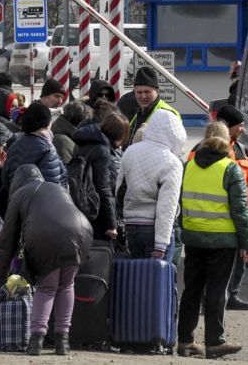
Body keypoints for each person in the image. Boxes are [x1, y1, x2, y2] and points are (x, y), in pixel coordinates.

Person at [0, 165, 93, 357]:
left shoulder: (19, 194)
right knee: (67, 284)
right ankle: (63, 341)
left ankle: (36, 340)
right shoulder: (57, 188)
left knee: (47, 287)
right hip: (82, 232)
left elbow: (7, 242)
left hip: (46, 236)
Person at [176, 122, 248, 359]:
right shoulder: (230, 169)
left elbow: (181, 200)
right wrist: (247, 242)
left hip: (193, 237)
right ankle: (214, 341)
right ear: (226, 140)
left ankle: (185, 341)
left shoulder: (188, 166)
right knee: (216, 290)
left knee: (191, 289)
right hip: (222, 240)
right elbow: (240, 210)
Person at [190, 105, 248, 311]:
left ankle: (232, 295)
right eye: (239, 125)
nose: (242, 129)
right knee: (212, 265)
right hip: (214, 219)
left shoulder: (242, 150)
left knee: (241, 258)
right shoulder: (200, 152)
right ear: (226, 126)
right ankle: (210, 300)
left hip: (239, 213)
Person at [117, 108, 185, 260]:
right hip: (155, 229)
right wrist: (161, 243)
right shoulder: (172, 162)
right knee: (157, 280)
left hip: (131, 226)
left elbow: (120, 189)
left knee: (136, 278)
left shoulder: (130, 151)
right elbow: (167, 205)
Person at [0, 103, 68, 213]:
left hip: (16, 208)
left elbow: (6, 179)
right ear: (47, 123)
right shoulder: (47, 149)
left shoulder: (14, 145)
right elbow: (53, 188)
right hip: (42, 213)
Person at [72, 110, 128, 241]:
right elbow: (103, 188)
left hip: (82, 205)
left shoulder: (84, 144)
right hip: (98, 214)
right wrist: (112, 224)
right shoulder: (103, 151)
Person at [125, 66, 180, 148]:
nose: (143, 96)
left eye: (147, 92)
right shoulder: (139, 112)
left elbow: (175, 145)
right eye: (139, 92)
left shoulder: (167, 113)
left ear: (157, 91)